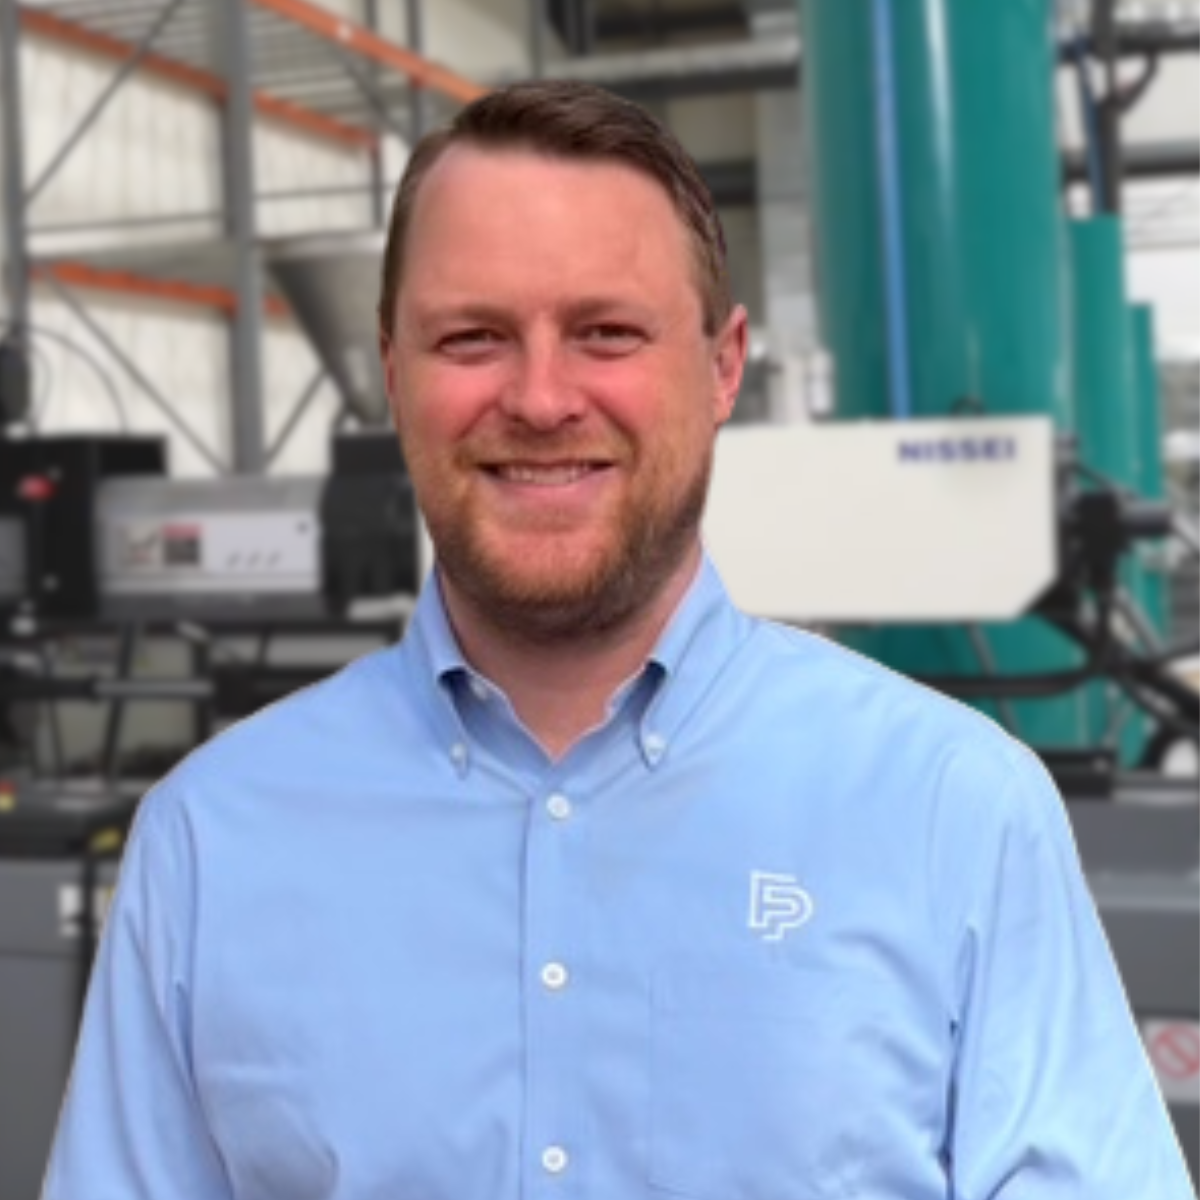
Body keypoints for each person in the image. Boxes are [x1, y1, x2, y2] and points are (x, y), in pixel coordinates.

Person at [43, 81, 1191, 1200]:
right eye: (473, 337)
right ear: (391, 374)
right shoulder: (211, 843)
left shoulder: (958, 814)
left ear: (725, 365)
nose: (541, 399)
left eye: (606, 332)